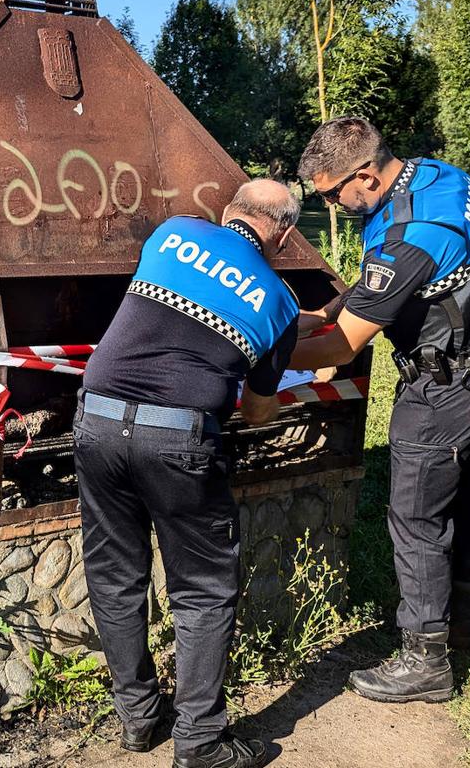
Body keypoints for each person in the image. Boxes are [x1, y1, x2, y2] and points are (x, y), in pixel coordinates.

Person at [290, 117, 470, 703]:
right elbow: (380, 286)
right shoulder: (435, 175)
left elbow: (345, 345)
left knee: (416, 511)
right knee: (467, 481)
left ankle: (426, 658)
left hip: (450, 379)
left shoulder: (414, 233)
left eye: (331, 194)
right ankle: (469, 618)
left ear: (365, 176)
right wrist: (321, 313)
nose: (332, 207)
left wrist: (257, 350)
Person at [74, 180, 302, 768]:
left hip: (97, 419)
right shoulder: (280, 303)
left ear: (228, 212)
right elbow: (255, 409)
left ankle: (139, 720)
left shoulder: (174, 232)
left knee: (115, 575)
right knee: (202, 590)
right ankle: (199, 742)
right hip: (178, 438)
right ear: (284, 232)